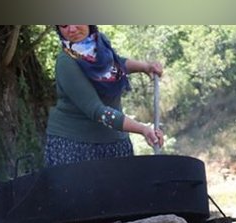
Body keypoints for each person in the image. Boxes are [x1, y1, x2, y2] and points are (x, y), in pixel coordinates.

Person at [44, 25, 164, 166]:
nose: (72, 29)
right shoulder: (66, 62)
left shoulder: (99, 43)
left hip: (116, 142)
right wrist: (143, 129)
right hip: (76, 147)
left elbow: (115, 64)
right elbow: (98, 111)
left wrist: (144, 67)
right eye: (64, 25)